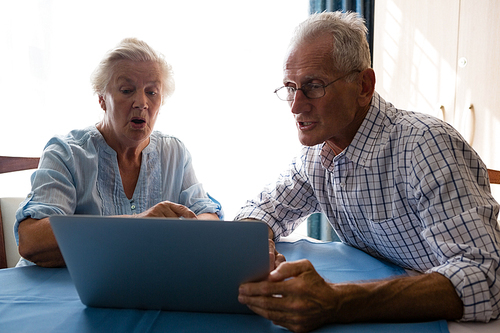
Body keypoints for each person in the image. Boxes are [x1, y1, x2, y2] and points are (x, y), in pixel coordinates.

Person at [236, 11, 500, 333]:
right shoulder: (318, 154)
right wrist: (255, 247)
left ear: (363, 85)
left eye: (314, 86)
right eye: (290, 87)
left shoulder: (425, 146)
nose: (295, 106)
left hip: (458, 320)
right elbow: (262, 209)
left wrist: (337, 301)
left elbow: (486, 277)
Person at [15, 38, 222, 268]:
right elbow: (31, 241)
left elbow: (208, 215)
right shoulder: (67, 152)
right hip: (53, 292)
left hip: (135, 287)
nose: (141, 103)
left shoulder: (174, 152)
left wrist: (188, 231)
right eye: (127, 90)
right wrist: (136, 225)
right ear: (102, 99)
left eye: (152, 92)